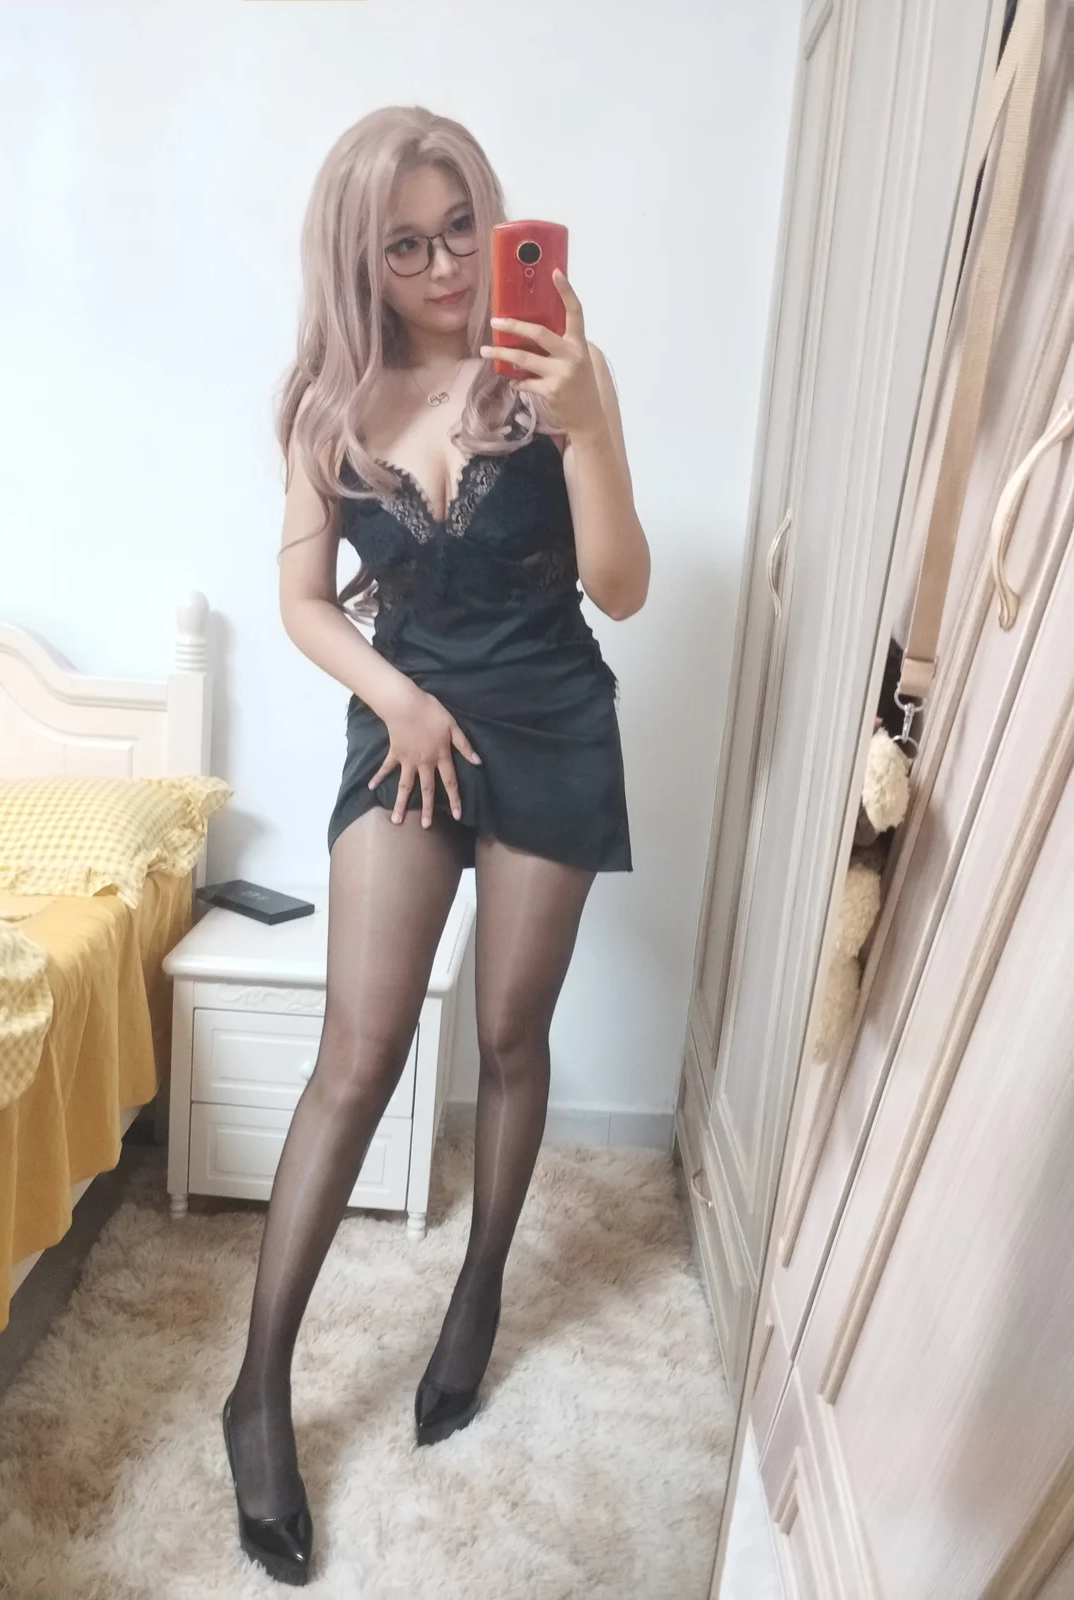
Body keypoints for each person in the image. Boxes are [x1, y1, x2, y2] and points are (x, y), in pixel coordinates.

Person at [221, 105, 650, 1586]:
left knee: (512, 1037)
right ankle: (258, 1389)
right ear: (362, 260)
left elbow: (622, 586)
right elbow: (303, 604)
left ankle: (478, 1294)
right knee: (360, 1050)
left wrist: (589, 423)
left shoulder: (556, 367)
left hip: (550, 719)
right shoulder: (326, 409)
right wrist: (396, 700)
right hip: (408, 730)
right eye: (405, 247)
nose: (447, 265)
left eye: (462, 226)